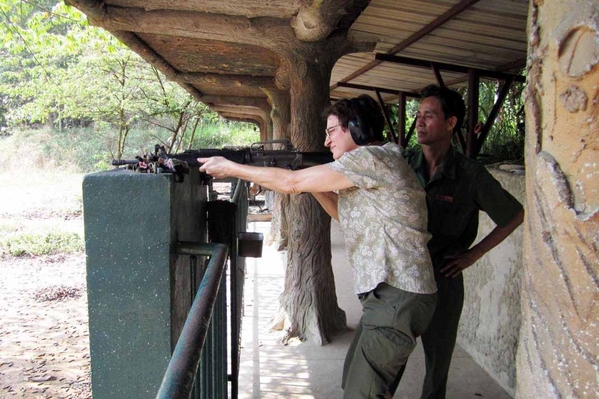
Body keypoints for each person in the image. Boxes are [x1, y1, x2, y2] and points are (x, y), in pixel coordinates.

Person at [199, 95, 438, 398]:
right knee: (358, 377)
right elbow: (344, 214)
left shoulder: (371, 159)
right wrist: (314, 185)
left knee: (361, 391)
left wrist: (233, 168)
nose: (326, 142)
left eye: (331, 131)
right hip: (393, 293)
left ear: (356, 127)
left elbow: (291, 183)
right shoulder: (377, 161)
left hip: (398, 294)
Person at [393, 85, 524, 399]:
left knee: (437, 363)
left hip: (444, 277)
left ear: (451, 123)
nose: (420, 122)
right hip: (400, 275)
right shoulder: (400, 163)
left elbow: (514, 214)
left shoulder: (470, 174)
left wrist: (473, 255)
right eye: (418, 115)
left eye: (429, 115)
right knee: (388, 356)